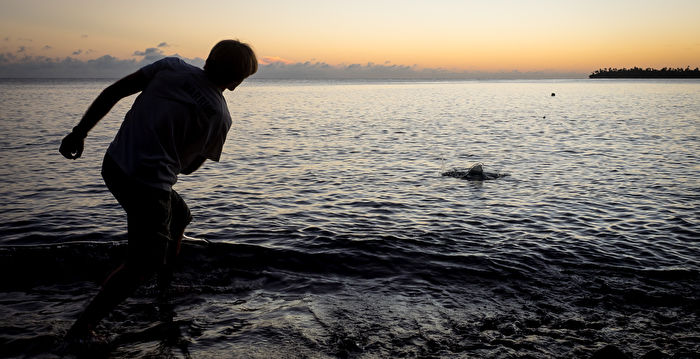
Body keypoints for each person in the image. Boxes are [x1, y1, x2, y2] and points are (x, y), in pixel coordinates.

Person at [59, 39, 257, 340]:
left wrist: (79, 133)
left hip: (114, 164)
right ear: (236, 80)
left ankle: (164, 288)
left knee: (180, 217)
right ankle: (82, 328)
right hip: (149, 186)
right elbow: (188, 169)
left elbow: (113, 93)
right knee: (143, 263)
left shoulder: (170, 67)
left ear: (209, 59)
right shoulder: (220, 117)